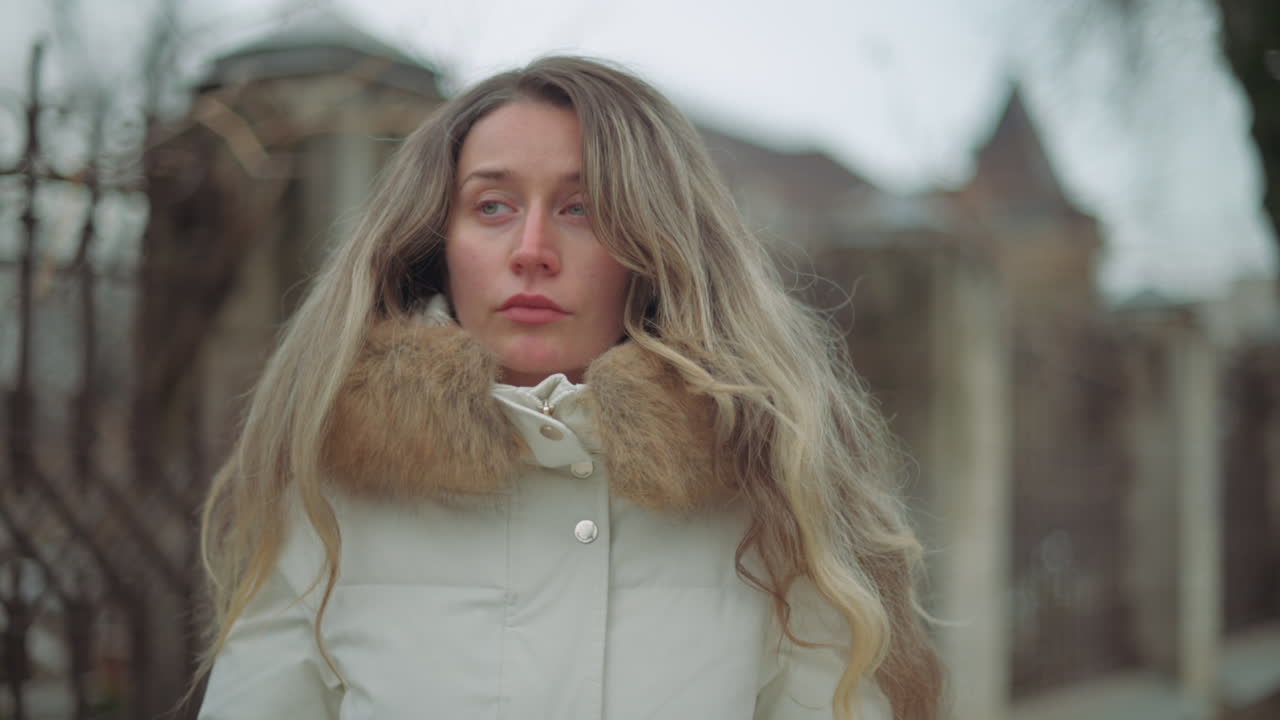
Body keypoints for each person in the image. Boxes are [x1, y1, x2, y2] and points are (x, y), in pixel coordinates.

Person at [195, 56, 942, 720]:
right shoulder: (332, 495)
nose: (531, 251)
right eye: (492, 206)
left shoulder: (773, 497)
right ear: (436, 242)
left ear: (655, 248)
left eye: (580, 208)